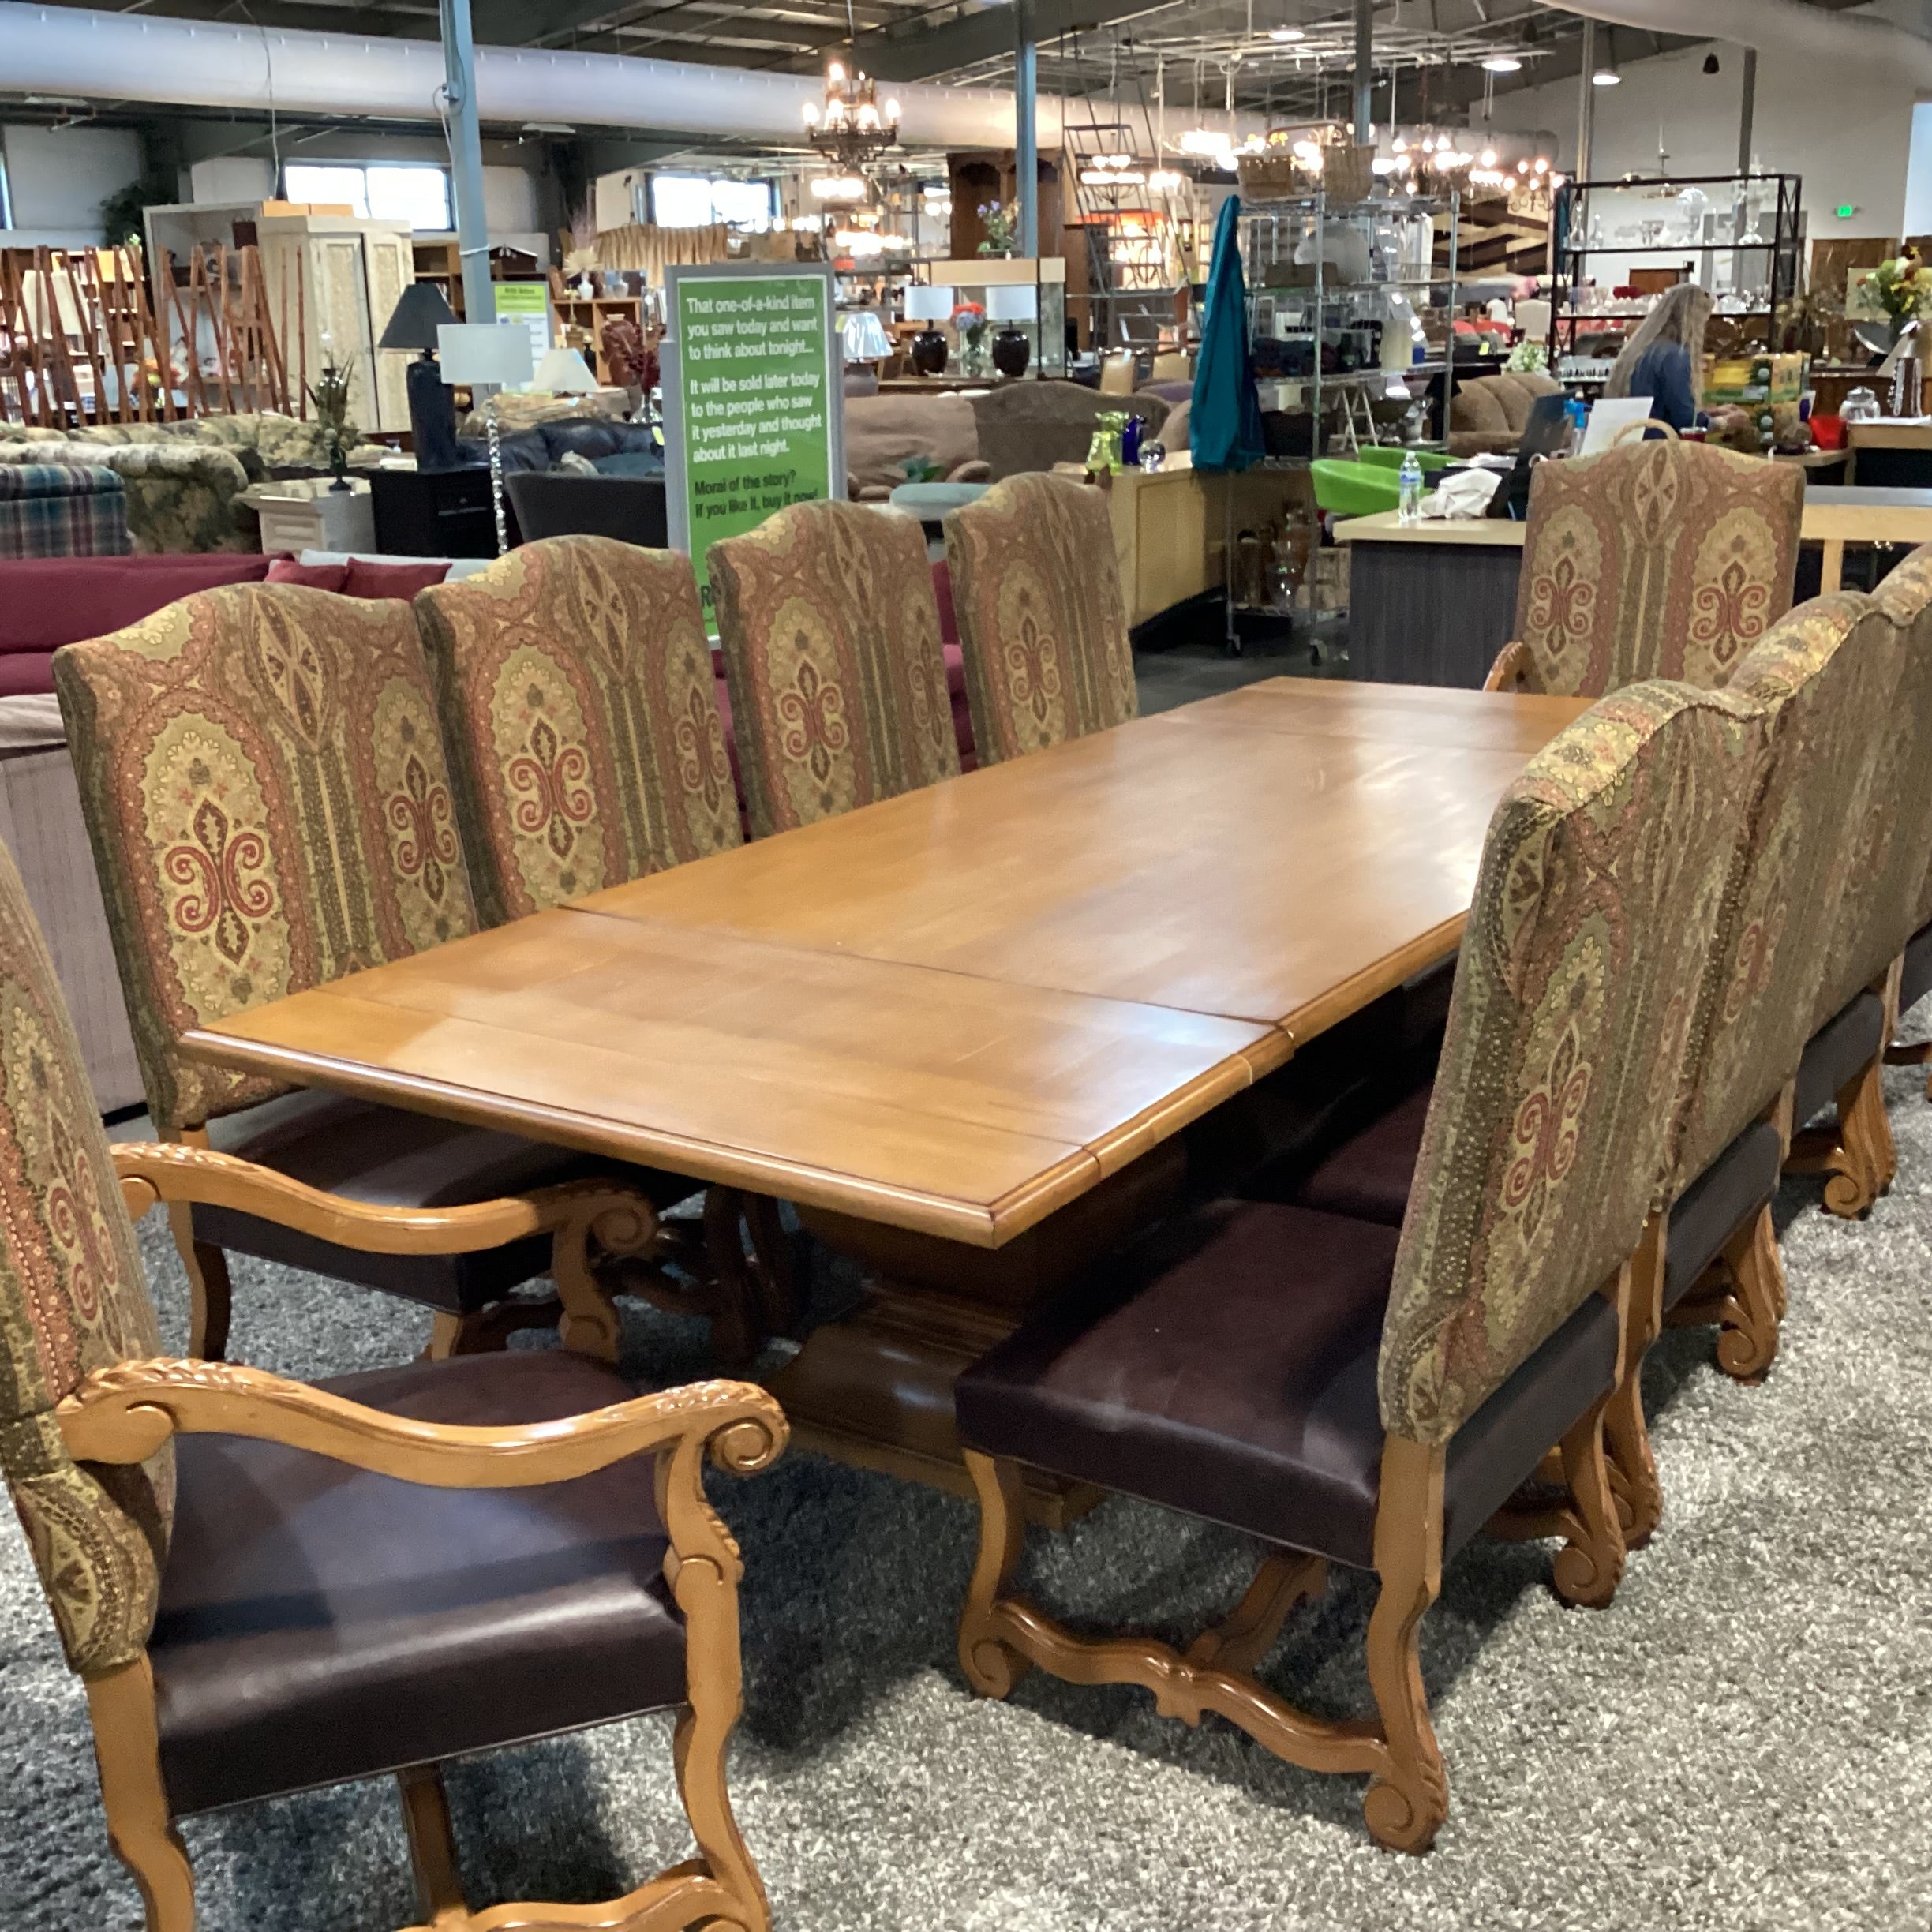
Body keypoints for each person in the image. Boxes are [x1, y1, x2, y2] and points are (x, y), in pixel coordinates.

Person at [1604, 282, 1713, 436]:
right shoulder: (1675, 356)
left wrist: (1712, 413)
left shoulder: (1638, 349)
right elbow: (1686, 420)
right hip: (1657, 447)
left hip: (1627, 443)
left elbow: (1661, 405)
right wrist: (1724, 422)